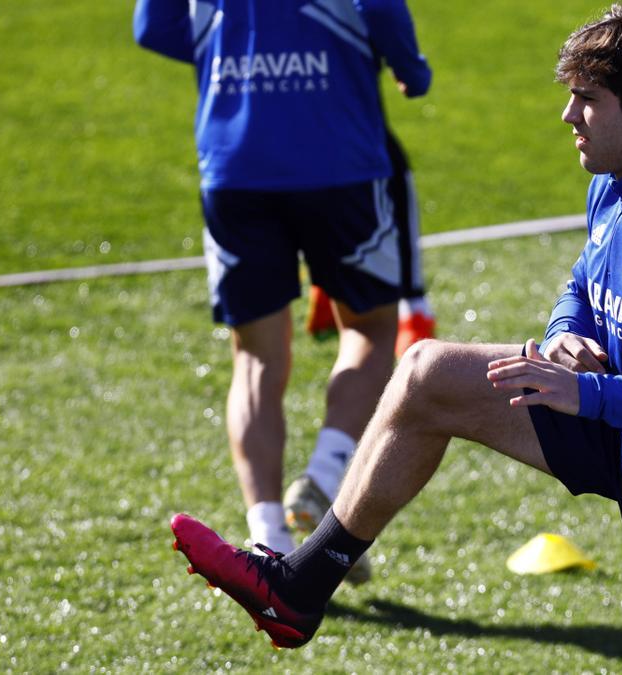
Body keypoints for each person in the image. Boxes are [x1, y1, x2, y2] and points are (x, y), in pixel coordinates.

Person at [170, 5, 622, 671]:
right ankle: (299, 586)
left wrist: (589, 395)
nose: (567, 116)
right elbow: (584, 285)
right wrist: (566, 335)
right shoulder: (615, 183)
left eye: (586, 100)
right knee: (426, 374)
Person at [134, 0, 433, 583]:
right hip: (339, 157)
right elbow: (380, 10)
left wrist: (238, 60)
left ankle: (267, 538)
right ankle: (325, 477)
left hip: (235, 163)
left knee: (254, 357)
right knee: (370, 329)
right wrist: (408, 68)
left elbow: (153, 26)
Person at [304, 128, 437, 361]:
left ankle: (326, 291)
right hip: (355, 143)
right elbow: (415, 89)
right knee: (369, 333)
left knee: (255, 356)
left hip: (249, 158)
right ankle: (413, 313)